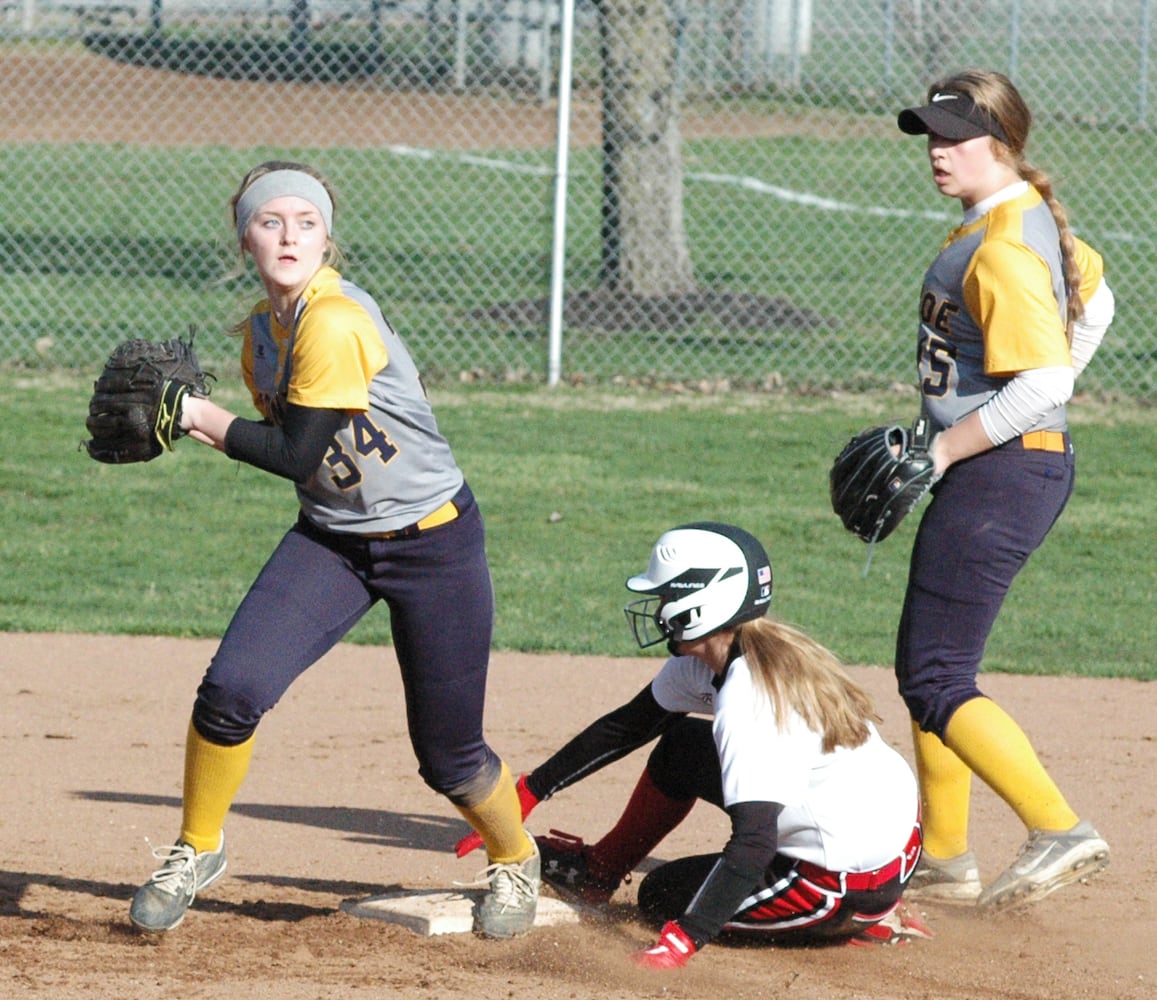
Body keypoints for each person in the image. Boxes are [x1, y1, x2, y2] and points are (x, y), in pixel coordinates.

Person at [128, 161, 539, 939]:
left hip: (434, 544)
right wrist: (198, 422)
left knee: (449, 756)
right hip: (331, 539)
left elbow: (290, 452)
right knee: (230, 691)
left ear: (327, 237)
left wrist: (195, 417)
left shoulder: (336, 319)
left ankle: (514, 857)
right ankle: (196, 848)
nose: (288, 236)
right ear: (244, 235)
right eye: (270, 221)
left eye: (305, 222)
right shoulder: (260, 333)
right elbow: (304, 457)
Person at [459, 522, 924, 966]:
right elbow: (628, 727)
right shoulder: (746, 650)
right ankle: (599, 871)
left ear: (698, 605)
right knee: (682, 743)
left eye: (663, 596)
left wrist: (683, 941)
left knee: (662, 897)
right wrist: (528, 792)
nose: (656, 606)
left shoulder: (749, 699)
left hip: (844, 884)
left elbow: (754, 842)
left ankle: (859, 926)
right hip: (885, 833)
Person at [892, 69, 1114, 909]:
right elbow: (1098, 305)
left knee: (937, 673)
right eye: (930, 135)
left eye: (955, 136)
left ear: (1004, 142)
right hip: (1008, 463)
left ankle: (1058, 828)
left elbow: (1040, 382)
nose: (937, 151)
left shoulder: (1001, 247)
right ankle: (945, 860)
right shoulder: (1013, 220)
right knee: (928, 665)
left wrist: (946, 446)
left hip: (1003, 469)